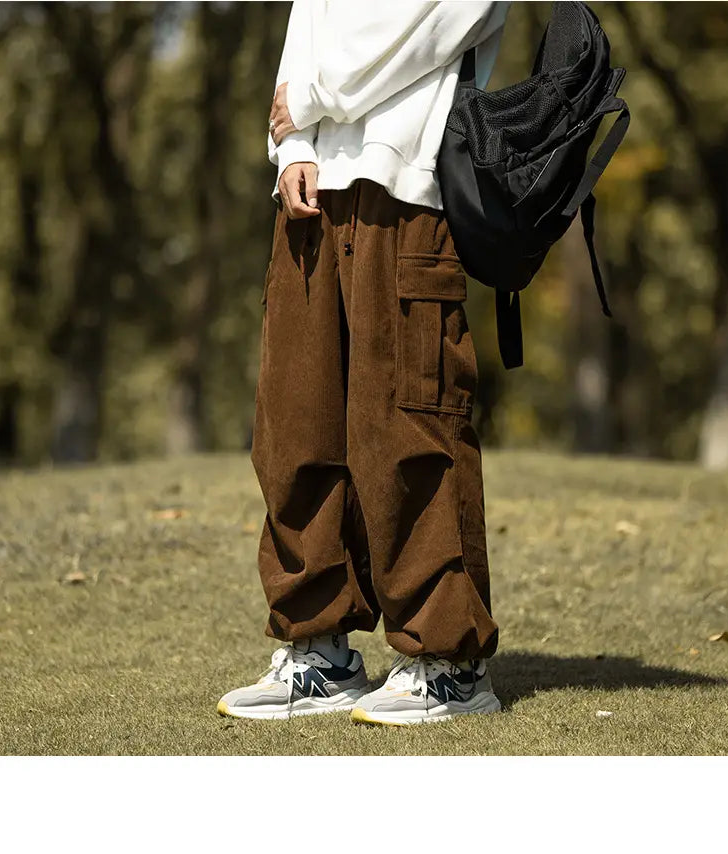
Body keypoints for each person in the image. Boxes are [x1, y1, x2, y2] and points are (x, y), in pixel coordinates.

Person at [218, 0, 510, 726]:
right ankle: (319, 654)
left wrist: (314, 100)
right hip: (312, 190)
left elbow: (422, 30)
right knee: (296, 425)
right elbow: (306, 23)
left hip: (411, 191)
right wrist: (292, 147)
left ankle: (449, 663)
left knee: (409, 430)